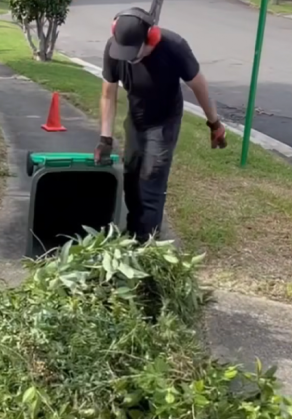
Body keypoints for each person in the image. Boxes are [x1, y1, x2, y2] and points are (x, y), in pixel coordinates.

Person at [96, 7, 227, 243]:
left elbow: (198, 85)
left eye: (134, 53)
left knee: (151, 179)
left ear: (152, 39)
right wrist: (105, 138)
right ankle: (135, 232)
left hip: (164, 120)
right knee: (132, 177)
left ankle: (147, 245)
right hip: (136, 119)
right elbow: (108, 94)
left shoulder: (174, 47)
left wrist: (214, 123)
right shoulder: (114, 49)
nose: (128, 58)